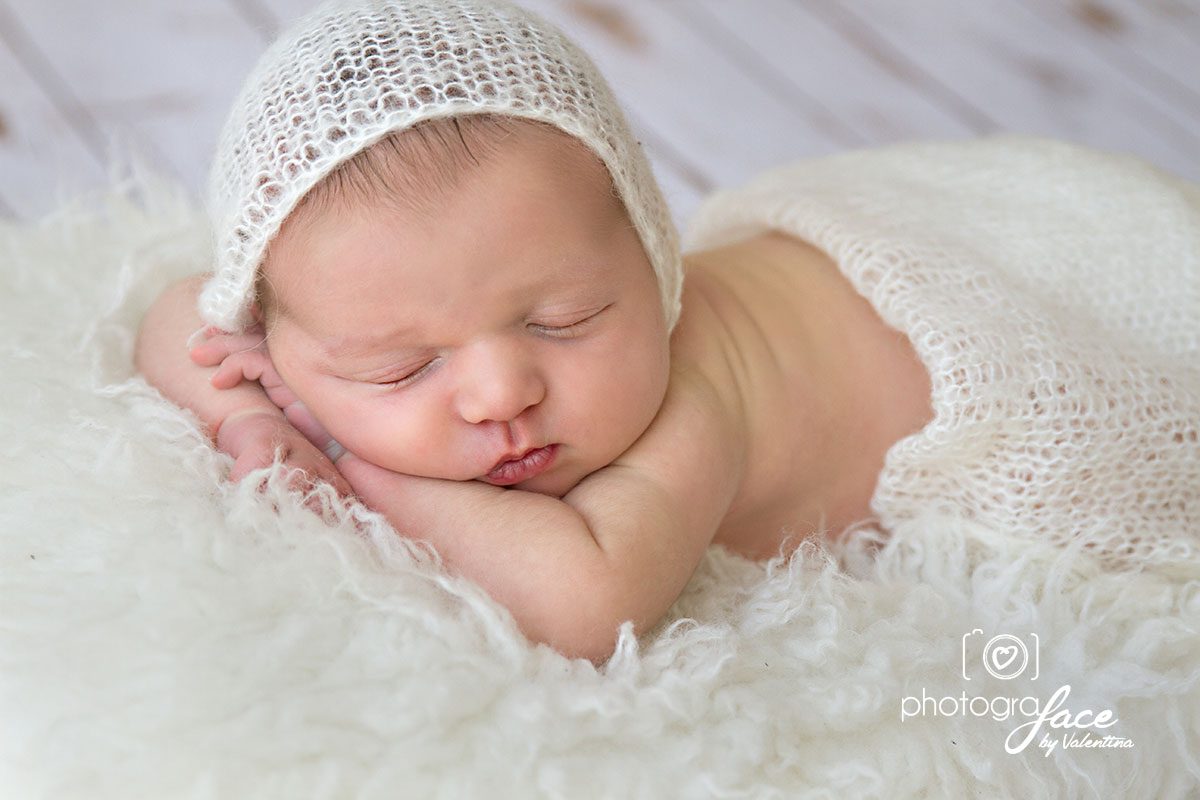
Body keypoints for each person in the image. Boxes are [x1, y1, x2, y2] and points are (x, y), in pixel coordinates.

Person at [135, 0, 1200, 661]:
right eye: (401, 364)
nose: (502, 391)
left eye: (566, 319)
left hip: (999, 340)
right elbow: (182, 314)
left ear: (651, 251)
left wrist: (358, 450)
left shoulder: (690, 403)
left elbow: (587, 603)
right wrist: (257, 420)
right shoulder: (322, 327)